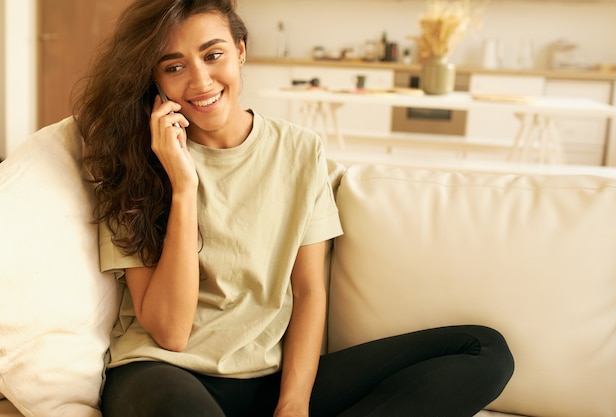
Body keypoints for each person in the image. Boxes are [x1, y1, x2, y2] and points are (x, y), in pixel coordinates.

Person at [75, 0, 514, 416]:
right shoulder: (130, 166)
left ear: (241, 52)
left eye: (213, 55)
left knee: (484, 350)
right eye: (174, 67)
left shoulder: (301, 151)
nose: (201, 81)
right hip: (161, 373)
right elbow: (170, 332)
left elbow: (308, 292)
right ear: (156, 83)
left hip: (268, 378)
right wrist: (184, 188)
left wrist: (293, 404)